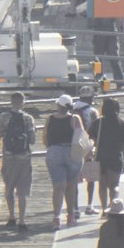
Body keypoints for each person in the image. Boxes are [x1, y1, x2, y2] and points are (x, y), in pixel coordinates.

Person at [0, 92, 36, 231]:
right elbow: (32, 140)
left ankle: (11, 216)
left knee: (9, 187)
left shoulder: (4, 117)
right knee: (22, 190)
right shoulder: (28, 118)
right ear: (23, 102)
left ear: (11, 102)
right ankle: (22, 220)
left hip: (8, 156)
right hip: (24, 158)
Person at [43, 96, 79, 228]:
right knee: (71, 186)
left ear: (59, 105)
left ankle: (57, 217)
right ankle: (70, 216)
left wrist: (51, 147)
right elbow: (81, 136)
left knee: (58, 187)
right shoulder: (74, 119)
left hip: (54, 151)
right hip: (71, 152)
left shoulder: (50, 119)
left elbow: (45, 137)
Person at [93, 97, 124, 212]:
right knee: (114, 186)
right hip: (115, 157)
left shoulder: (98, 123)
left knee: (102, 185)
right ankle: (113, 207)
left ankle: (104, 209)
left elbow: (91, 138)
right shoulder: (121, 123)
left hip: (100, 156)